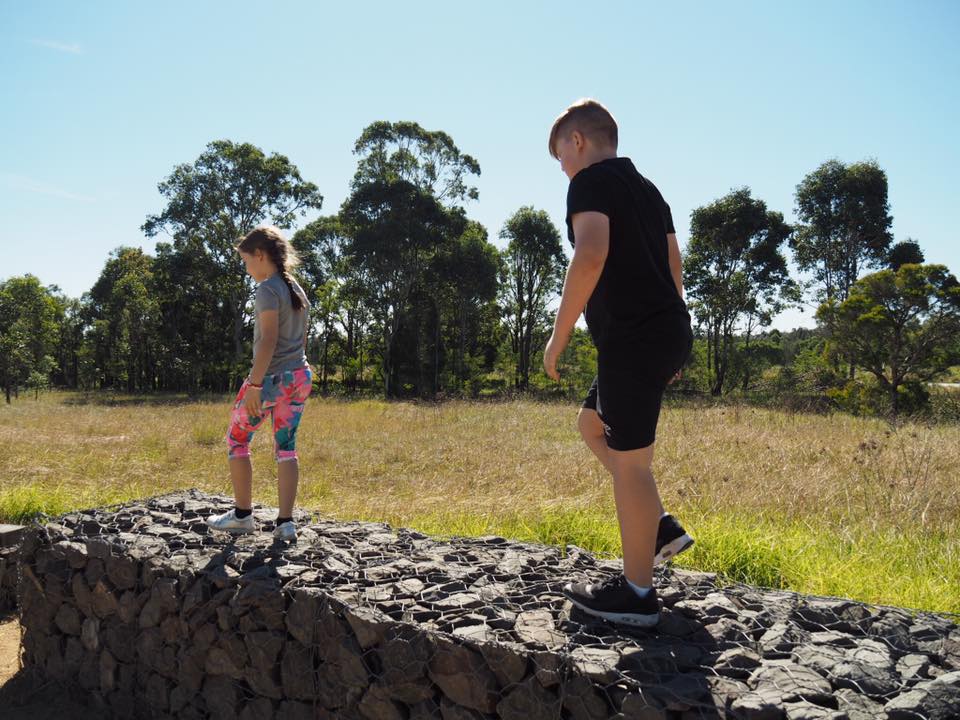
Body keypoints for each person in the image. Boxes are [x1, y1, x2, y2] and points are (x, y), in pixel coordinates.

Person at [544, 99, 694, 627]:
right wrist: (673, 328)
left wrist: (558, 337)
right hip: (663, 328)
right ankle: (656, 526)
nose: (560, 164)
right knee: (591, 424)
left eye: (558, 152)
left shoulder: (589, 181)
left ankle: (636, 595)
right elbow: (674, 260)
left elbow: (590, 254)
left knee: (632, 464)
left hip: (633, 336)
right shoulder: (648, 190)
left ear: (578, 141)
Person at [206, 226, 313, 542]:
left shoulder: (268, 289)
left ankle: (242, 516)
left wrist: (254, 386)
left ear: (261, 255)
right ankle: (285, 523)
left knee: (237, 440)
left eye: (246, 261)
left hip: (270, 380)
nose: (247, 268)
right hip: (299, 377)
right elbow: (302, 338)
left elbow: (268, 341)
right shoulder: (296, 288)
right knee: (287, 448)